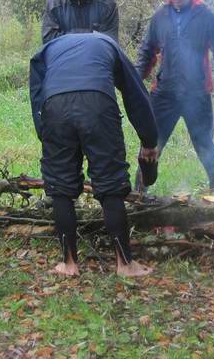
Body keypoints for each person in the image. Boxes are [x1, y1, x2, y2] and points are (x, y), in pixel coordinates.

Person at [29, 32, 159, 277]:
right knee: (109, 180)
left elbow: (36, 94)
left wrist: (45, 133)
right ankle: (124, 264)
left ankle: (68, 264)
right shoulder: (108, 44)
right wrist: (149, 140)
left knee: (60, 185)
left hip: (54, 106)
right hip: (97, 102)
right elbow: (135, 93)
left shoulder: (47, 49)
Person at [135, 0, 214, 196]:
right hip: (165, 93)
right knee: (150, 144)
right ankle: (139, 194)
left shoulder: (204, 15)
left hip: (196, 93)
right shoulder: (160, 16)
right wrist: (134, 80)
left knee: (204, 145)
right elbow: (147, 51)